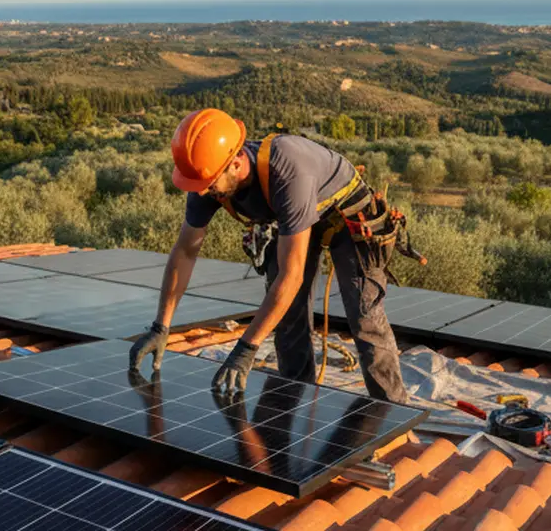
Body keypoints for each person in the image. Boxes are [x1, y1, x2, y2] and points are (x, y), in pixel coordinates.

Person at [128, 108, 416, 404]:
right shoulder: (206, 177)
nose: (204, 194)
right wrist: (161, 327)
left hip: (347, 215)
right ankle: (294, 398)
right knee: (288, 316)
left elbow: (291, 276)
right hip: (295, 216)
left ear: (236, 164)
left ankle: (392, 414)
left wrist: (245, 350)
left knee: (364, 317)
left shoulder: (285, 171)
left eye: (211, 186)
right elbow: (186, 250)